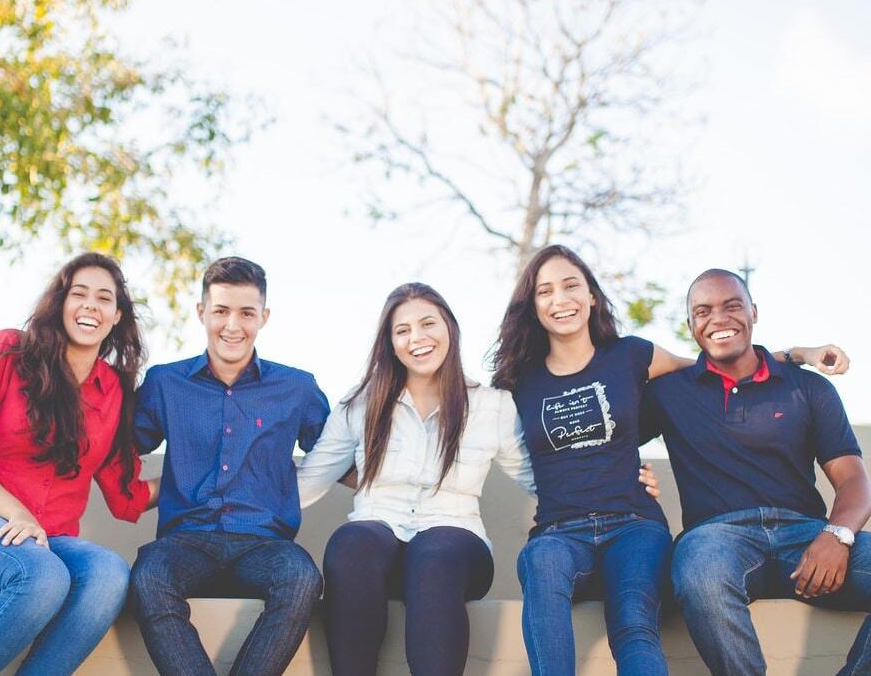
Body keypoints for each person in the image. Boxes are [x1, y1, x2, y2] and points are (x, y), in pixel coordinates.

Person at [490, 245, 844, 676]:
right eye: (545, 291)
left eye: (571, 286)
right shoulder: (517, 381)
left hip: (633, 524)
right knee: (541, 564)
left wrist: (796, 355)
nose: (560, 299)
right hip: (558, 530)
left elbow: (712, 366)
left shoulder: (632, 355)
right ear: (533, 305)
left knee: (634, 623)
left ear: (592, 296)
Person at [296, 282, 660, 676]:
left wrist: (621, 481)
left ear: (450, 328)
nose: (417, 338)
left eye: (428, 324)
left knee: (435, 554)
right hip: (377, 539)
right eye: (403, 330)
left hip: (454, 541)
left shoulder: (491, 405)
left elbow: (546, 476)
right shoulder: (362, 402)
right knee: (350, 543)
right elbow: (313, 475)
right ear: (390, 342)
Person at [644, 268, 870, 676]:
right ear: (691, 324)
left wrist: (837, 535)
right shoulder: (669, 392)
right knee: (700, 576)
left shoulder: (809, 387)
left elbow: (854, 478)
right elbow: (605, 429)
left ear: (753, 312)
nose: (718, 319)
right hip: (716, 539)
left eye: (732, 306)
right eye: (703, 311)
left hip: (806, 535)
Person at [0, 252, 156, 676]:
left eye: (104, 298)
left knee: (109, 575)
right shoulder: (9, 350)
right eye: (79, 294)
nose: (90, 306)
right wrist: (17, 513)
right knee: (43, 577)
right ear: (60, 304)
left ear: (116, 317)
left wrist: (201, 479)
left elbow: (124, 494)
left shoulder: (111, 389)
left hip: (48, 540)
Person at [129, 256, 330, 676]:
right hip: (186, 541)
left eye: (246, 313)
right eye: (220, 311)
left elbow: (340, 453)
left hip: (264, 544)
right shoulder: (166, 383)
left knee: (302, 579)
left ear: (264, 317)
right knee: (148, 576)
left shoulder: (297, 388)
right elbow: (117, 447)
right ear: (202, 311)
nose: (232, 325)